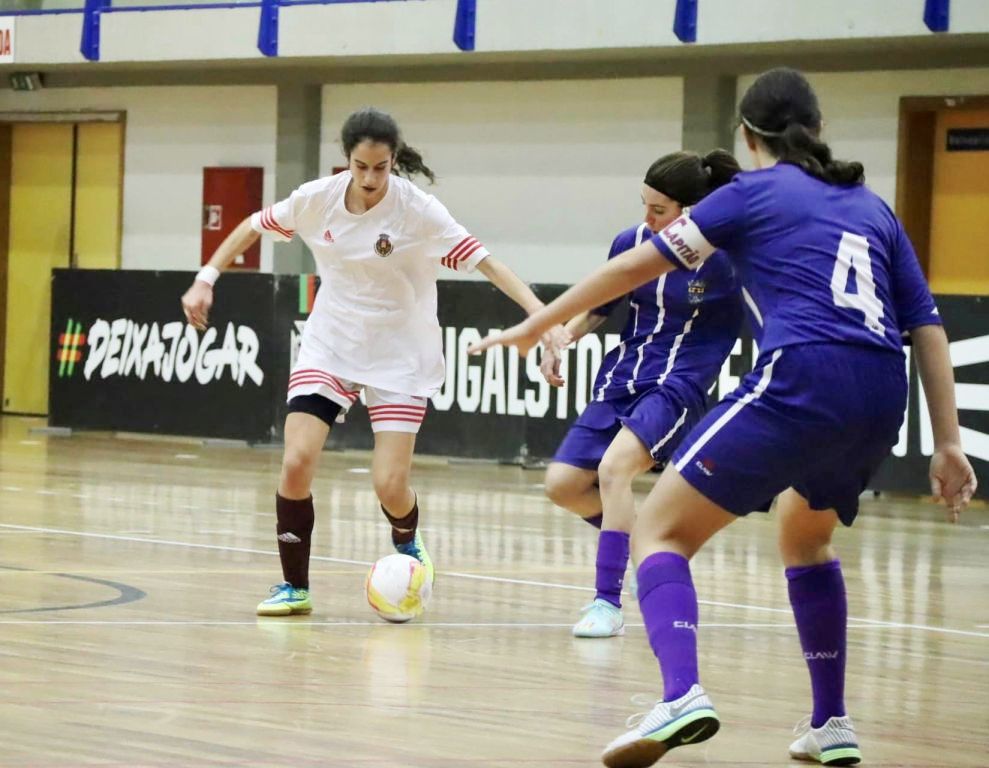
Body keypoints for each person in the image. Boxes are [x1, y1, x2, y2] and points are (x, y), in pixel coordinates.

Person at [468, 68, 977, 767]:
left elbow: (630, 270)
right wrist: (947, 441)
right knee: (806, 539)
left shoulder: (749, 194)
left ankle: (681, 694)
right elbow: (926, 326)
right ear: (819, 129)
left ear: (746, 136)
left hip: (800, 376)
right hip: (881, 392)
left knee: (657, 529)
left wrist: (535, 325)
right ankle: (830, 722)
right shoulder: (872, 207)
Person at [181, 107, 567, 617]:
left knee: (389, 485)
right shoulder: (316, 200)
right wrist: (205, 278)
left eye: (380, 168)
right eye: (360, 167)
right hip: (332, 344)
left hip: (400, 354)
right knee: (295, 461)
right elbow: (251, 226)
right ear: (347, 160)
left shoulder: (419, 211)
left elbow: (488, 264)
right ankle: (294, 586)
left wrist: (544, 319)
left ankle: (407, 540)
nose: (369, 178)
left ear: (393, 161)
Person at [541, 150, 743, 638]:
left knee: (614, 470)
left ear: (690, 212)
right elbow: (599, 306)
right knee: (563, 485)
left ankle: (607, 603)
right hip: (621, 379)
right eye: (644, 206)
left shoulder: (728, 260)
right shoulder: (630, 243)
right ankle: (648, 554)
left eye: (659, 210)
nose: (648, 220)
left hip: (676, 387)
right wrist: (562, 337)